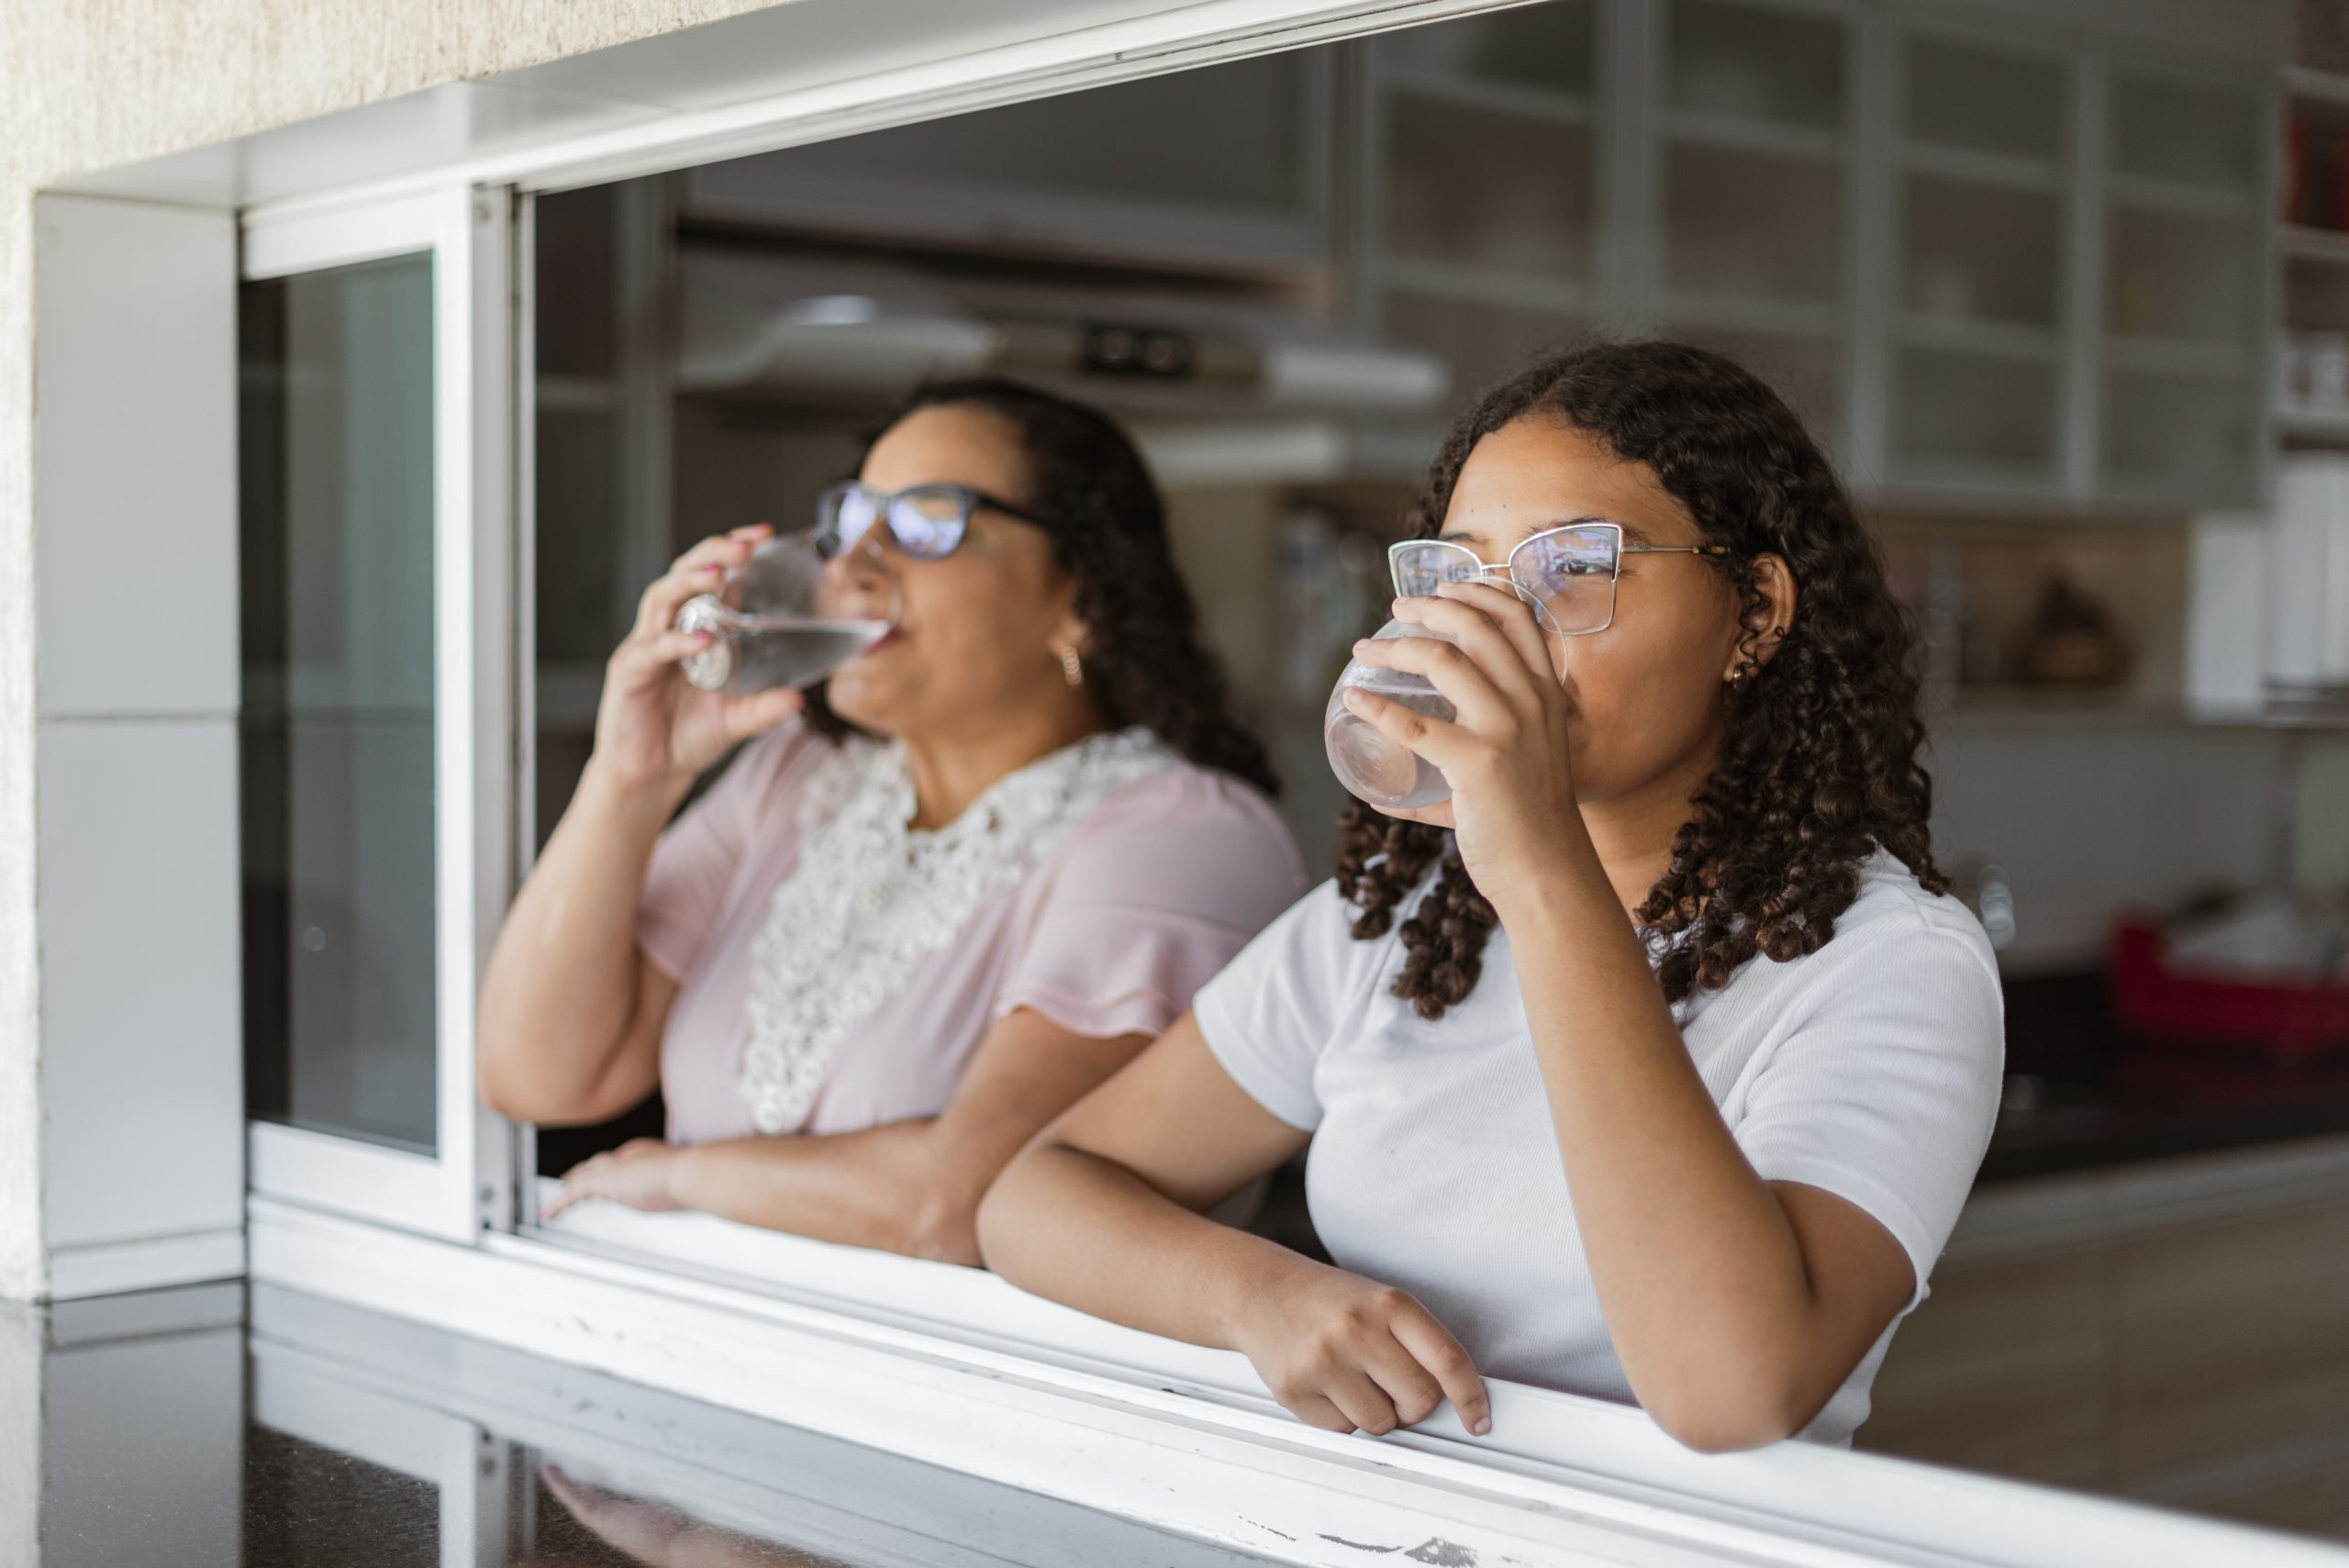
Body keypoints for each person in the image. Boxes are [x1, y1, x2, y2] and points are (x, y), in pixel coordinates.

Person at [976, 340, 2005, 1452]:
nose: (1497, 632)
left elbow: (1729, 1392)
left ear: (1753, 611)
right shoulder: (1400, 917)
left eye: (1570, 568)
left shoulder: (1894, 960)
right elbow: (1034, 1197)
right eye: (1464, 575)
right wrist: (1255, 1295)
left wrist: (1539, 861)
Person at [478, 378, 1304, 1264]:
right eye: (854, 521)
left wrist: (684, 1177)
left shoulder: (1184, 831)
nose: (853, 567)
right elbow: (540, 1075)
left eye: (925, 523)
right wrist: (632, 777)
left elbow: (964, 1202)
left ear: (1082, 597)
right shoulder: (794, 775)